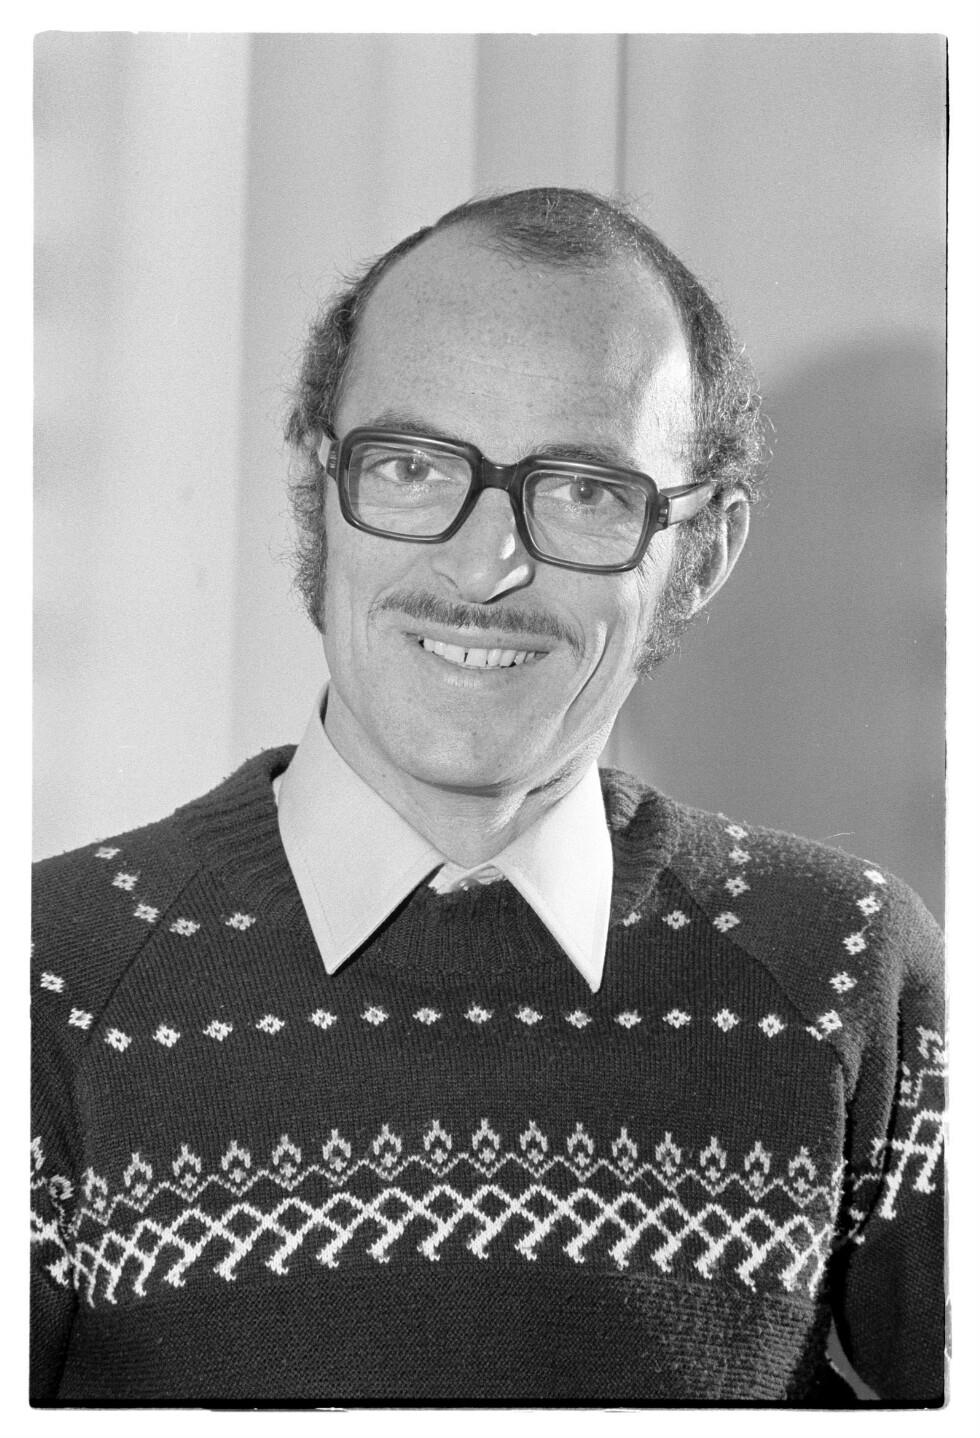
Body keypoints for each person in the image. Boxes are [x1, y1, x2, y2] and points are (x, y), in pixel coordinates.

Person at [31, 187, 945, 1406]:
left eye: (584, 490)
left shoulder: (847, 969)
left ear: (704, 554)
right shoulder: (46, 974)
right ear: (317, 487)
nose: (482, 566)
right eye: (411, 467)